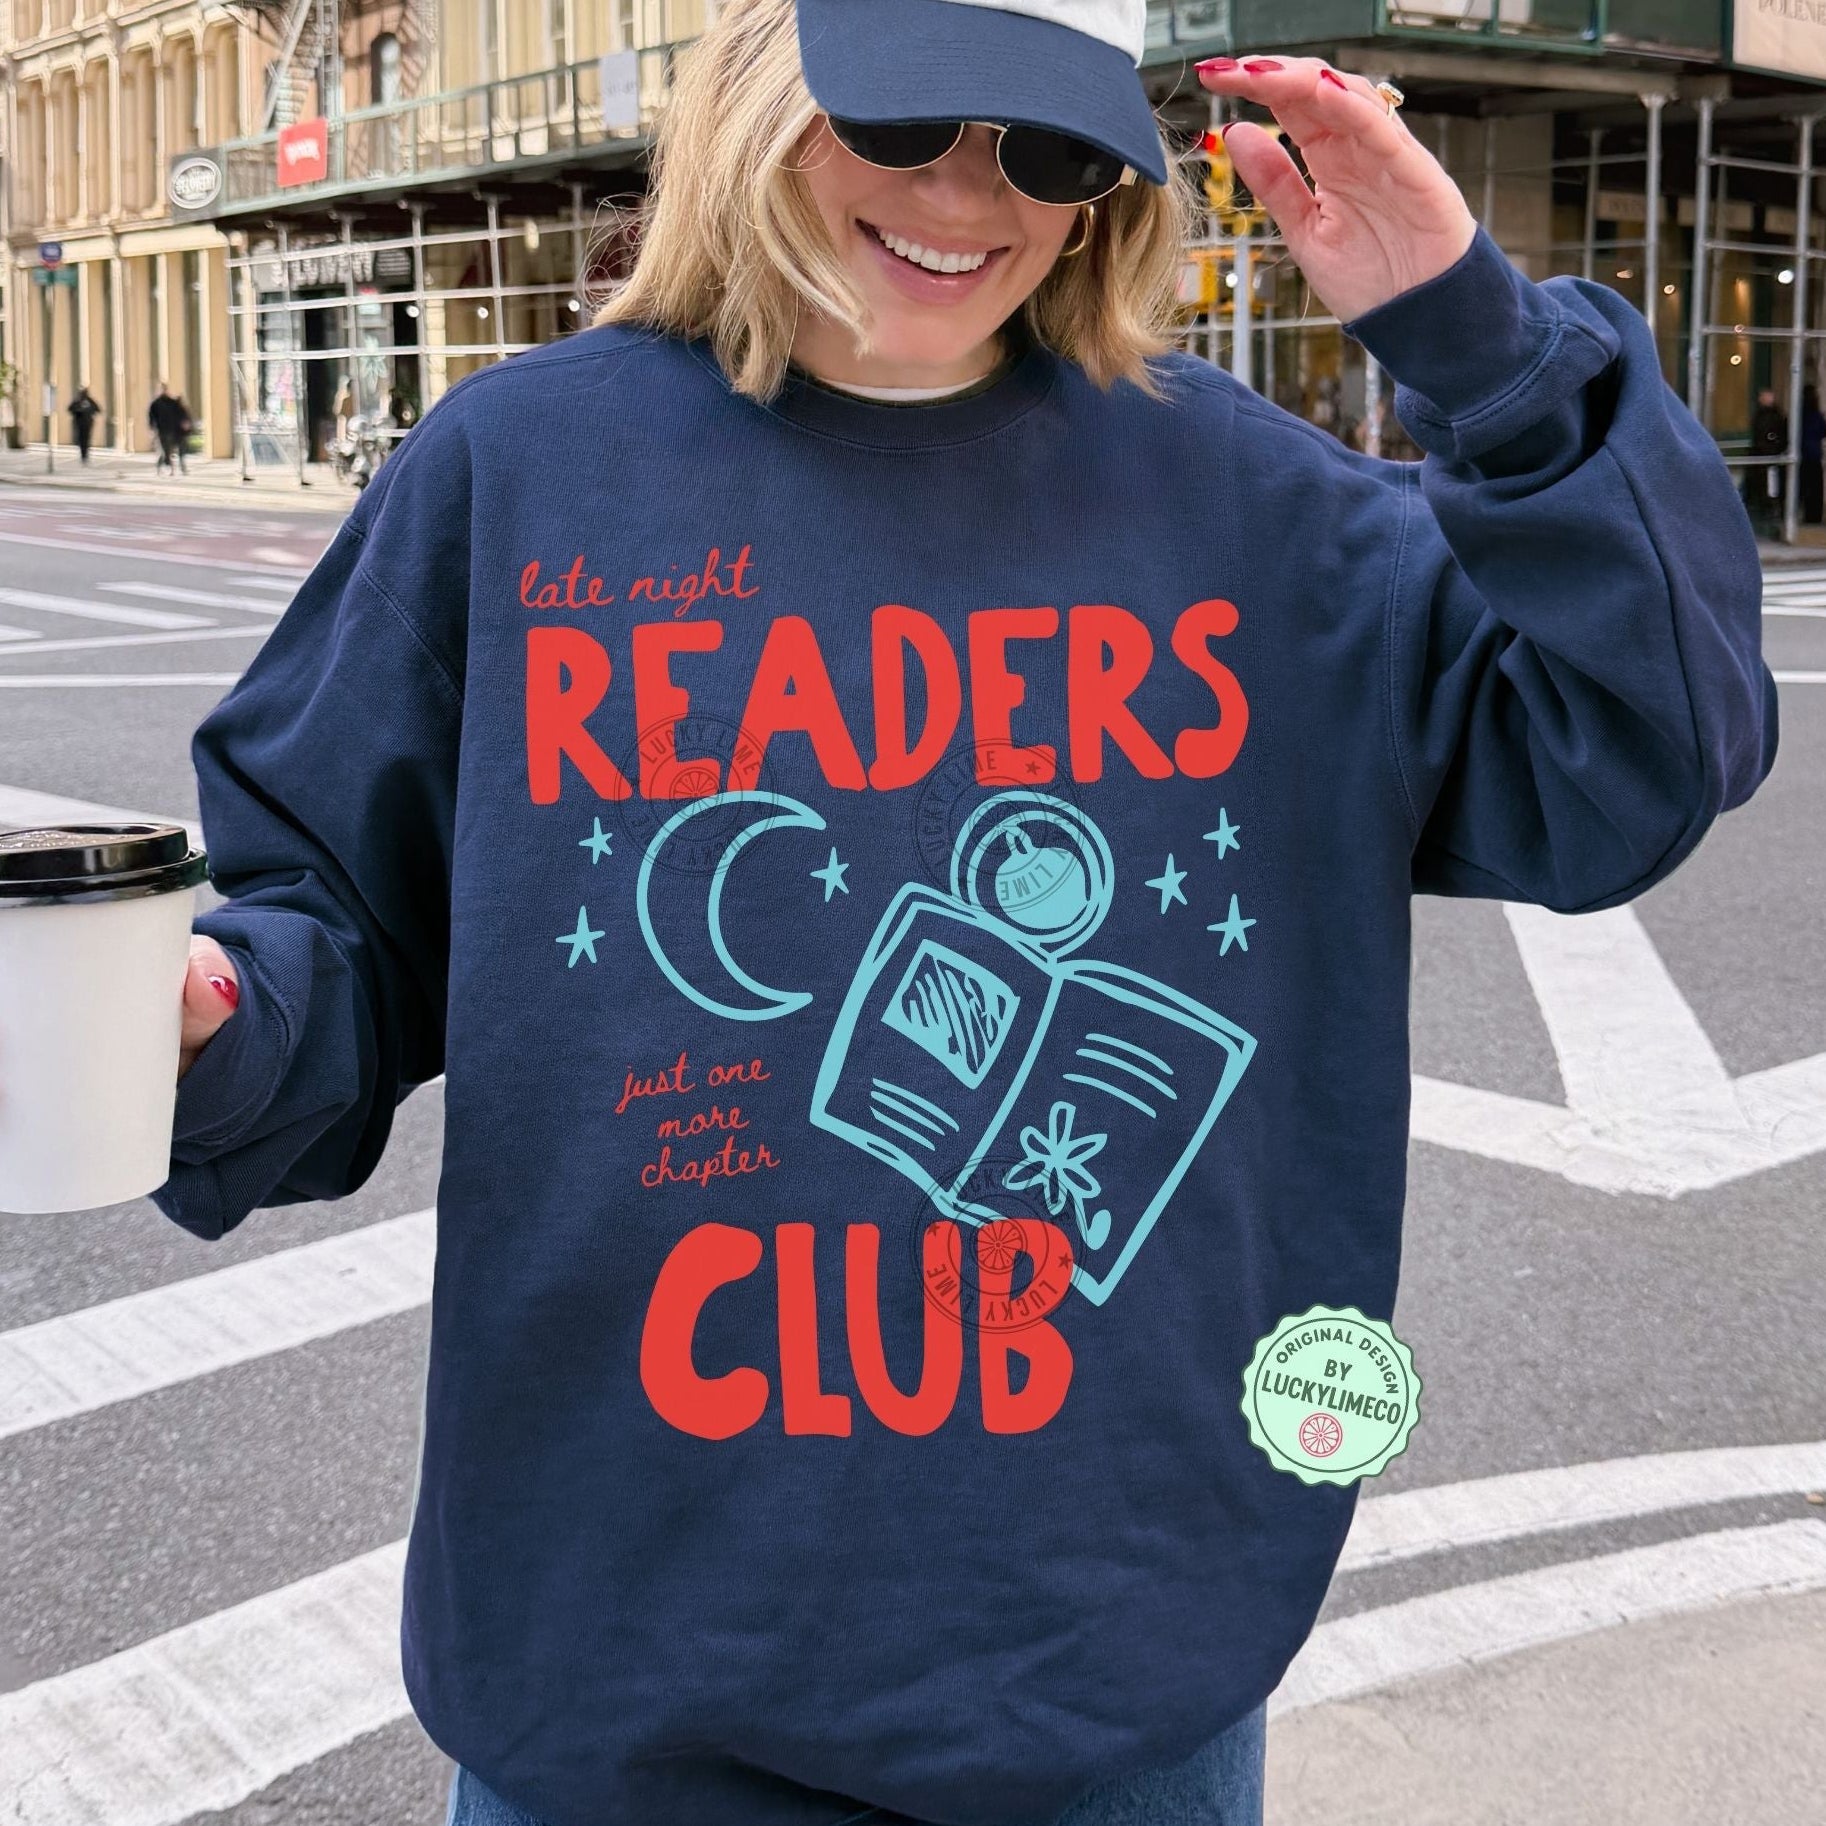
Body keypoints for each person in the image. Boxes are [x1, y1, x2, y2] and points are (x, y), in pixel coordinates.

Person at [147, 3, 1777, 1823]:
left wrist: (1475, 338)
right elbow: (336, 921)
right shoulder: (520, 469)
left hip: (1105, 1646)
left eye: (1049, 151)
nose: (969, 198)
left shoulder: (1248, 501)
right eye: (910, 120)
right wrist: (210, 1011)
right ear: (767, 102)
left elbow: (1643, 743)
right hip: (624, 1636)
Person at [1744, 384, 1787, 533]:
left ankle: (1770, 511)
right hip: (1761, 455)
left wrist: (1774, 448)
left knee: (1771, 487)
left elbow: (1780, 435)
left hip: (1771, 455)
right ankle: (1762, 510)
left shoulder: (1775, 415)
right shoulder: (1760, 415)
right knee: (1760, 486)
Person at [148, 381, 191, 475]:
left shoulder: (171, 401)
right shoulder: (155, 404)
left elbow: (180, 412)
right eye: (161, 389)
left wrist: (184, 421)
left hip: (173, 430)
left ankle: (173, 469)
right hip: (161, 431)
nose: (163, 391)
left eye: (164, 389)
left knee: (175, 450)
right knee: (164, 451)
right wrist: (152, 429)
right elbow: (151, 418)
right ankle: (160, 468)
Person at [1801, 380, 1825, 525]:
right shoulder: (1815, 415)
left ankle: (1807, 515)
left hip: (1803, 454)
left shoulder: (1800, 414)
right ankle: (1814, 516)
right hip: (1813, 454)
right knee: (1815, 487)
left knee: (1805, 487)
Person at [67, 384, 101, 464]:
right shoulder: (77, 401)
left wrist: (91, 413)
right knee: (81, 440)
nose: (84, 394)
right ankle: (83, 455)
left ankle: (85, 455)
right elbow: (70, 409)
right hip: (79, 424)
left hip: (88, 424)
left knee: (86, 440)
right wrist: (78, 411)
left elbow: (98, 409)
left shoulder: (90, 401)